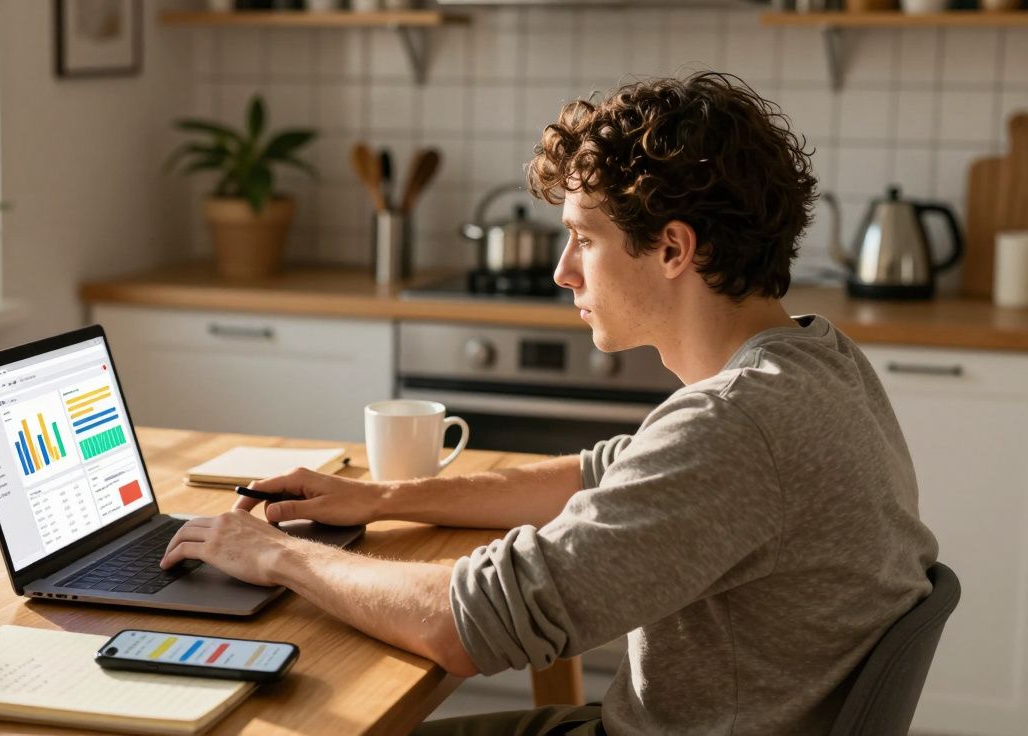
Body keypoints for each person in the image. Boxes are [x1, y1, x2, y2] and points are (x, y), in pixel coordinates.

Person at [160, 72, 938, 735]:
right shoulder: (817, 359)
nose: (564, 271)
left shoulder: (738, 425)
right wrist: (382, 496)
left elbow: (469, 624)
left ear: (673, 249)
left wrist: (275, 553)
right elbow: (604, 476)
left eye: (584, 240)